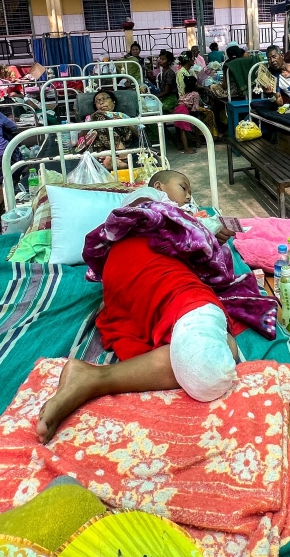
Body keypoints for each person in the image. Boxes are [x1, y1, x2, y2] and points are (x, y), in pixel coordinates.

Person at [35, 170, 241, 443]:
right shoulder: (148, 198)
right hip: (143, 258)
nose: (189, 195)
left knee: (224, 346)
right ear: (159, 186)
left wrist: (209, 238)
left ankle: (94, 379)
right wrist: (201, 227)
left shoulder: (174, 216)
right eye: (183, 186)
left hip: (124, 281)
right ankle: (95, 378)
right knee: (209, 366)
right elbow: (146, 211)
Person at [175, 50, 217, 152]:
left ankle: (203, 135)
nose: (195, 60)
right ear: (189, 60)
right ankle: (207, 136)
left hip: (185, 103)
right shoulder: (182, 74)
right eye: (193, 58)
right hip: (187, 106)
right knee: (209, 113)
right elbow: (183, 91)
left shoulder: (188, 71)